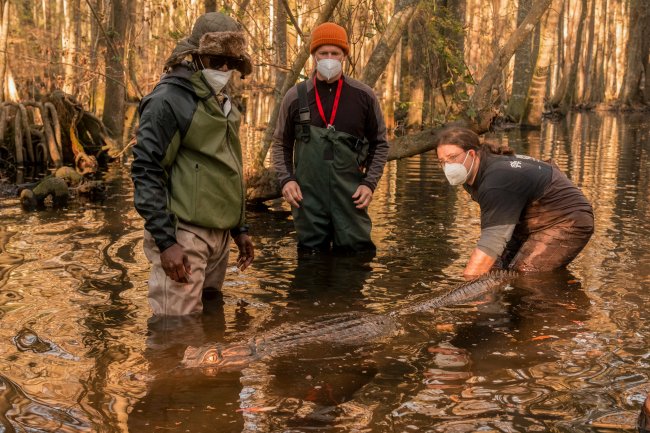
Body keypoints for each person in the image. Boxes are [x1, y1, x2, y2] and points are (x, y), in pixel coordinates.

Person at [131, 12, 254, 316]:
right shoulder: (168, 100)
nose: (224, 68)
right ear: (196, 56)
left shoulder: (220, 101)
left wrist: (239, 228)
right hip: (182, 235)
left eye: (232, 61)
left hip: (219, 235)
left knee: (213, 318)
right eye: (216, 60)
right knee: (176, 329)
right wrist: (165, 241)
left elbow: (228, 168)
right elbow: (146, 169)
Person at [271, 22, 389, 253]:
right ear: (313, 56)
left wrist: (369, 184)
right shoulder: (296, 96)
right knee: (310, 259)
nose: (329, 58)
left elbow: (380, 144)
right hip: (308, 199)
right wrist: (287, 180)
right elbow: (280, 143)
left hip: (351, 197)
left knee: (355, 258)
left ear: (344, 56)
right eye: (323, 53)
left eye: (335, 53)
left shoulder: (364, 96)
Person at [435, 126, 594, 277]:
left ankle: (557, 300)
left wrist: (467, 283)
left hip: (567, 220)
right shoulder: (472, 175)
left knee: (524, 275)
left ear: (471, 154)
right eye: (442, 161)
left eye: (452, 157)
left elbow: (493, 239)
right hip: (528, 220)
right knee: (495, 270)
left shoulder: (496, 180)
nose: (448, 166)